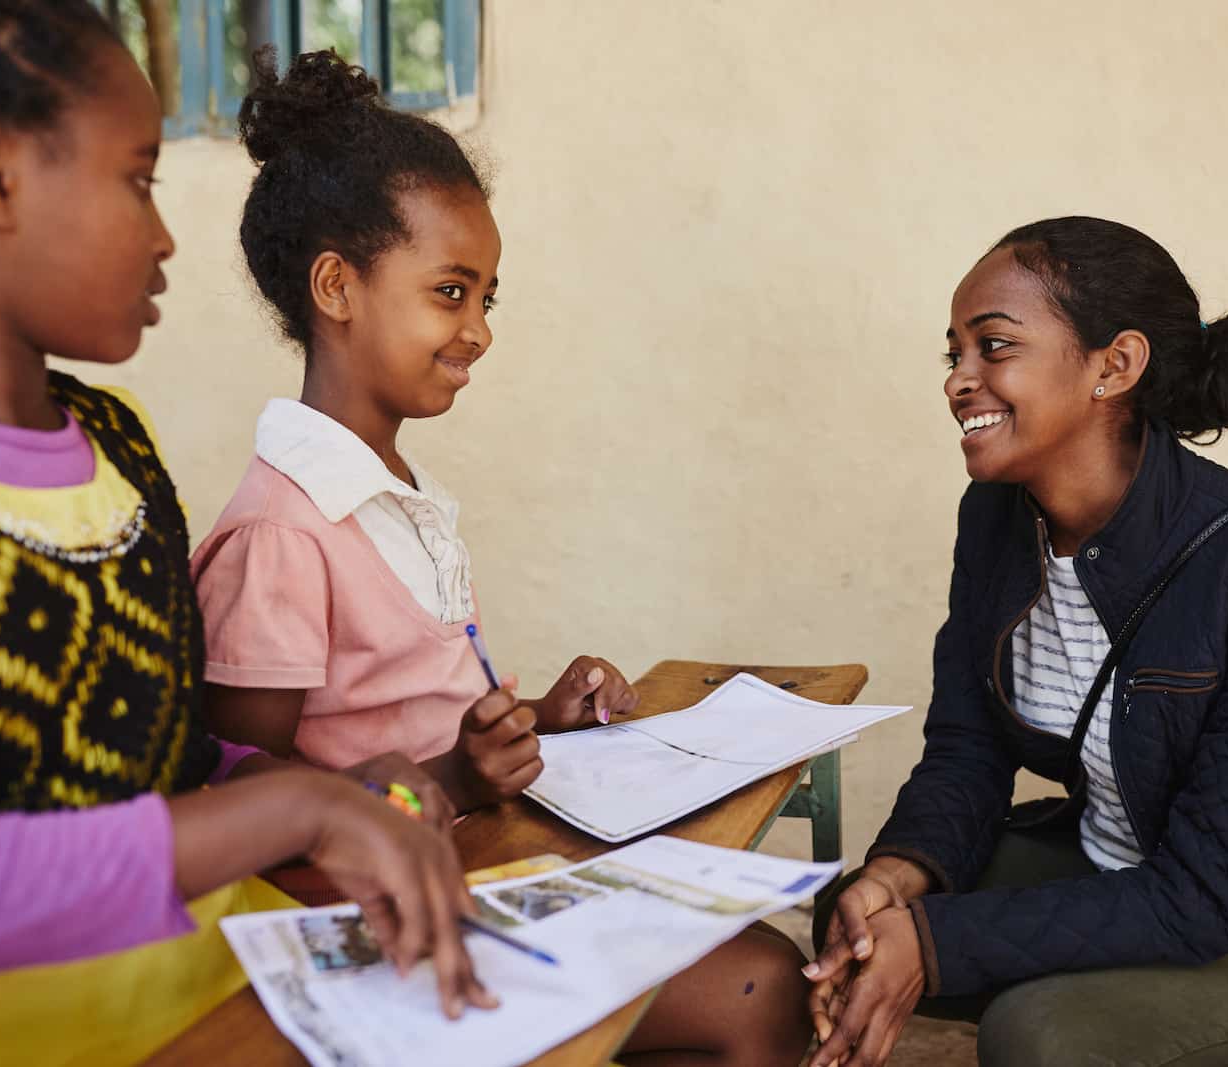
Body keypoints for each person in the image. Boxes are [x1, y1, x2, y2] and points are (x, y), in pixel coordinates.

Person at [0, 7, 490, 1064]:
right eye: (138, 178)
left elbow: (180, 756)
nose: (163, 236)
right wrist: (296, 807)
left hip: (232, 991)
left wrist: (342, 796)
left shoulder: (115, 446)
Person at [192, 49, 811, 1067]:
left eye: (488, 297)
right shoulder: (281, 531)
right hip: (376, 924)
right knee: (758, 987)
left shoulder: (401, 498)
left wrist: (528, 731)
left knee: (754, 960)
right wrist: (455, 770)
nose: (478, 329)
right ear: (338, 287)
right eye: (450, 291)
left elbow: (417, 711)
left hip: (477, 859)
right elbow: (246, 807)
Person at [804, 217, 1228, 1067]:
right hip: (1118, 866)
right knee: (855, 922)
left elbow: (1207, 895)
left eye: (993, 346)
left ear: (1115, 365)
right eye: (952, 353)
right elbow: (966, 751)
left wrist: (941, 937)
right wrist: (900, 874)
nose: (960, 380)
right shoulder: (996, 518)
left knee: (1042, 1037)